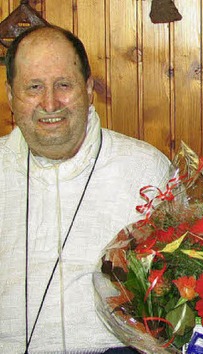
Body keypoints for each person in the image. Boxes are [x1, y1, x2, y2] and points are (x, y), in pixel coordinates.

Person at [0, 25, 173, 352]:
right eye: (33, 87)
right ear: (10, 95)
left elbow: (181, 293)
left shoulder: (145, 169)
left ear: (88, 89)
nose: (50, 103)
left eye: (63, 85)